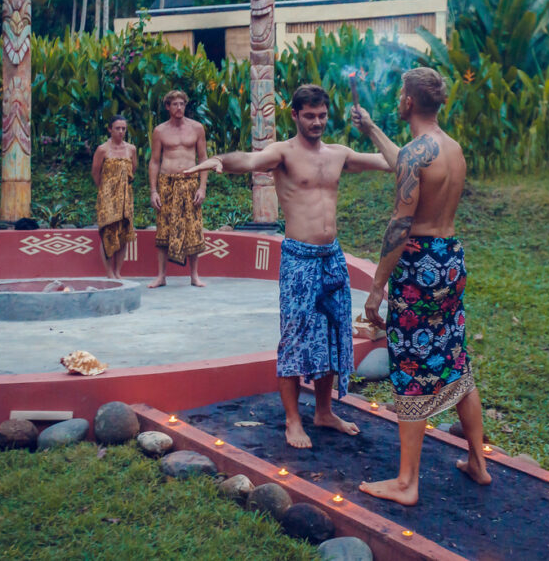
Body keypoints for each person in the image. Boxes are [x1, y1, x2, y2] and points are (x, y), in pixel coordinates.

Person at [183, 84, 393, 448]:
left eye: (322, 116)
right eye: (309, 116)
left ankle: (324, 412)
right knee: (294, 340)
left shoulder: (338, 153)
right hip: (299, 259)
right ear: (294, 115)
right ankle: (293, 420)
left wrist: (371, 128)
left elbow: (393, 162)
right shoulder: (283, 152)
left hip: (332, 259)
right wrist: (220, 161)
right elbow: (247, 161)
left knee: (332, 335)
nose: (317, 122)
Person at [353, 67, 491, 506]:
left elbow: (400, 225)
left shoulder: (417, 154)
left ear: (409, 101)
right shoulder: (450, 148)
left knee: (411, 366)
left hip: (419, 266)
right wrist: (372, 129)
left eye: (400, 94)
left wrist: (377, 288)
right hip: (450, 261)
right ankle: (479, 464)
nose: (397, 99)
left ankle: (406, 483)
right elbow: (410, 166)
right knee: (454, 357)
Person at [148, 90, 208, 288]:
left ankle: (195, 275)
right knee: (163, 228)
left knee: (193, 229)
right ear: (167, 107)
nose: (179, 107)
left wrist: (202, 187)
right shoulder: (160, 131)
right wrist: (153, 190)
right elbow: (155, 161)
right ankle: (161, 276)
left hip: (190, 183)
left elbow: (203, 159)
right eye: (175, 104)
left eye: (182, 104)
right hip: (167, 184)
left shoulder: (197, 128)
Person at [91, 115, 137, 279]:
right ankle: (109, 272)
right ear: (110, 129)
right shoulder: (102, 149)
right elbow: (95, 173)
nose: (121, 132)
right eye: (117, 128)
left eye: (123, 128)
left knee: (123, 234)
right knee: (107, 233)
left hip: (125, 196)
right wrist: (105, 190)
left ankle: (118, 271)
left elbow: (134, 169)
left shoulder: (131, 149)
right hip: (107, 197)